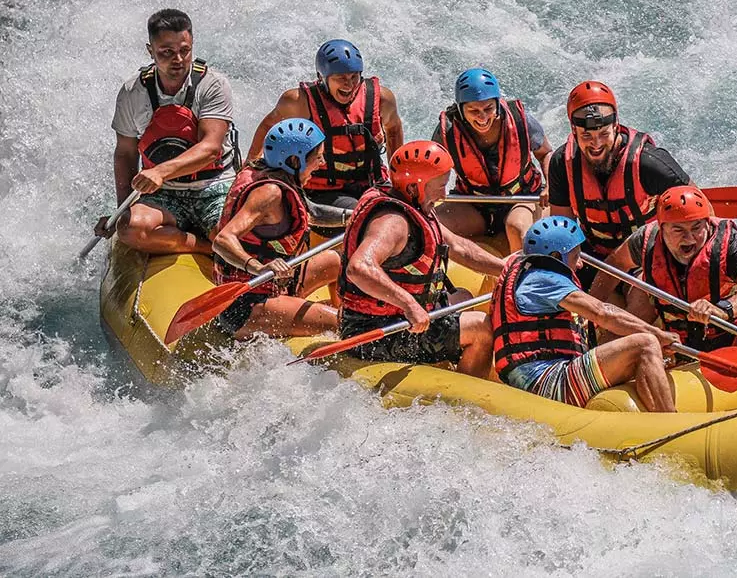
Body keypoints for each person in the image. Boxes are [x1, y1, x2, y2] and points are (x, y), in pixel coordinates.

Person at [605, 186, 737, 393]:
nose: (689, 238)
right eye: (678, 230)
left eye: (696, 228)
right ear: (662, 228)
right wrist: (590, 312)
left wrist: (723, 309)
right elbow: (614, 264)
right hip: (677, 344)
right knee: (639, 301)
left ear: (707, 224)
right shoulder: (646, 240)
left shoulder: (728, 241)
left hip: (731, 336)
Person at [338, 140, 505, 375]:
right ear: (414, 187)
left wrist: (507, 268)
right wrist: (409, 305)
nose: (444, 195)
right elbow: (358, 268)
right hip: (378, 334)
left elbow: (458, 246)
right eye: (440, 186)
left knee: (462, 296)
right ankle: (468, 391)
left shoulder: (413, 205)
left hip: (393, 319)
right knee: (482, 328)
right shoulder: (393, 223)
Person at [491, 216, 679, 411]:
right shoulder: (543, 279)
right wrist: (657, 334)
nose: (580, 264)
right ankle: (670, 420)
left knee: (645, 353)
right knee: (646, 344)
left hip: (529, 380)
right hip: (547, 382)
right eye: (575, 256)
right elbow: (603, 313)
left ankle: (651, 415)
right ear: (556, 256)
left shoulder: (525, 273)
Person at [95, 8, 240, 254]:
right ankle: (208, 248)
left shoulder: (213, 85)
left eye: (185, 51)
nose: (178, 59)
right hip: (164, 192)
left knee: (242, 234)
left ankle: (217, 240)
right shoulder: (132, 91)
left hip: (214, 185)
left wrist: (160, 171)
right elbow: (125, 153)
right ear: (150, 51)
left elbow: (210, 149)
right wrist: (122, 212)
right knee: (131, 229)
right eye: (167, 52)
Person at [547, 80, 691, 289]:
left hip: (645, 256)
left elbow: (697, 214)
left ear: (615, 125)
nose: (596, 144)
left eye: (603, 134)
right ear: (574, 130)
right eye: (587, 136)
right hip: (594, 255)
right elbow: (563, 227)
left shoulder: (649, 163)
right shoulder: (562, 163)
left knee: (636, 293)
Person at [247, 39, 404, 223]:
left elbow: (394, 129)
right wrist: (250, 169)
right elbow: (268, 127)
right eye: (341, 78)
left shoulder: (382, 99)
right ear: (322, 78)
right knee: (367, 212)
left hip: (372, 184)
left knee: (403, 208)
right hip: (322, 191)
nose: (349, 85)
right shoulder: (298, 101)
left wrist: (398, 180)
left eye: (354, 77)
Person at [211, 119, 340, 339]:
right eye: (318, 157)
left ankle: (338, 315)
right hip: (247, 302)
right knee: (340, 323)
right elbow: (222, 240)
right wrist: (258, 267)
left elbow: (312, 213)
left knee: (335, 261)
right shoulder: (269, 193)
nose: (322, 163)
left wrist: (356, 214)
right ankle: (340, 325)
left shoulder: (275, 174)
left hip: (277, 283)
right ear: (294, 160)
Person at [432, 68, 555, 253]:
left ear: (497, 103)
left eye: (488, 108)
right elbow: (433, 170)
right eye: (473, 110)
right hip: (474, 203)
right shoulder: (448, 131)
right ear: (461, 109)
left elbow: (545, 154)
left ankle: (520, 269)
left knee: (516, 227)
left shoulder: (520, 121)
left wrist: (550, 185)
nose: (482, 117)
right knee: (430, 224)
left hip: (521, 197)